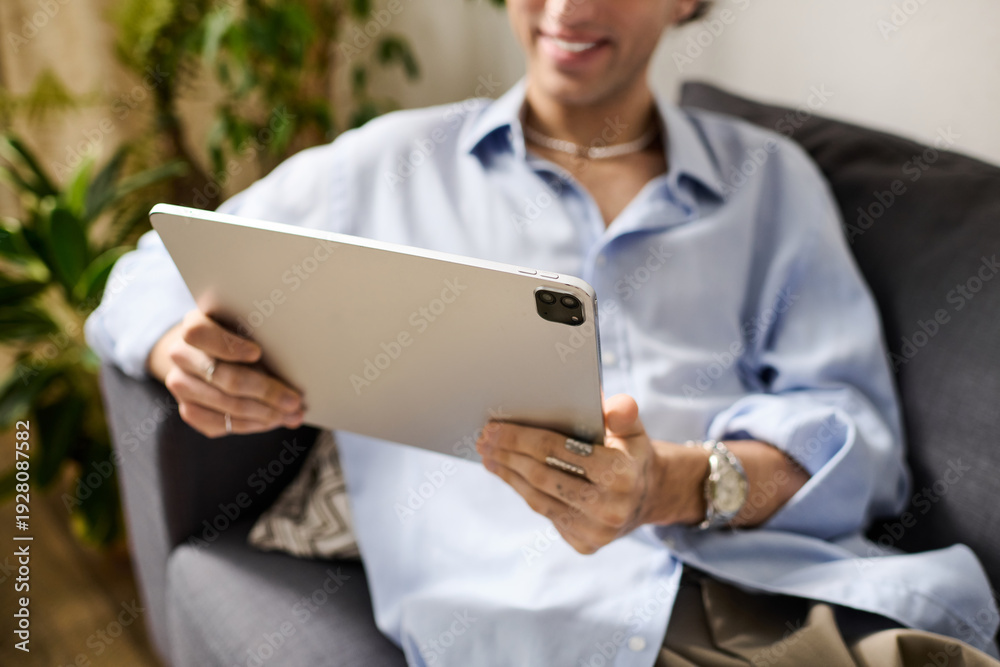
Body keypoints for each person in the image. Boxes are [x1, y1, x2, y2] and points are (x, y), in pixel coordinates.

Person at [86, 0, 1000, 664]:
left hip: (806, 597)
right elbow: (149, 270)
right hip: (546, 630)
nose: (567, 8)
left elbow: (862, 446)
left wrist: (676, 483)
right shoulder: (387, 167)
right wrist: (181, 350)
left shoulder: (769, 183)